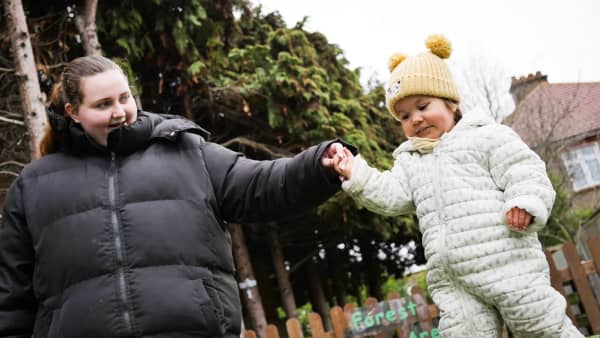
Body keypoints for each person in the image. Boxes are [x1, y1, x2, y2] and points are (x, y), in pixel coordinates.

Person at [0, 55, 351, 338]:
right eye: (103, 104)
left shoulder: (186, 151)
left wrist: (317, 166)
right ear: (73, 113)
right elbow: (12, 300)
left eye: (125, 98)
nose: (120, 111)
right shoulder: (33, 186)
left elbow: (261, 184)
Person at [333, 35, 584, 338]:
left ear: (450, 102)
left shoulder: (485, 136)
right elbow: (391, 195)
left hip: (507, 263)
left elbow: (524, 169)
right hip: (454, 282)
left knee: (540, 325)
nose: (416, 119)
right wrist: (355, 172)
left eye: (423, 106)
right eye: (404, 116)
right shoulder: (410, 160)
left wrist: (524, 201)